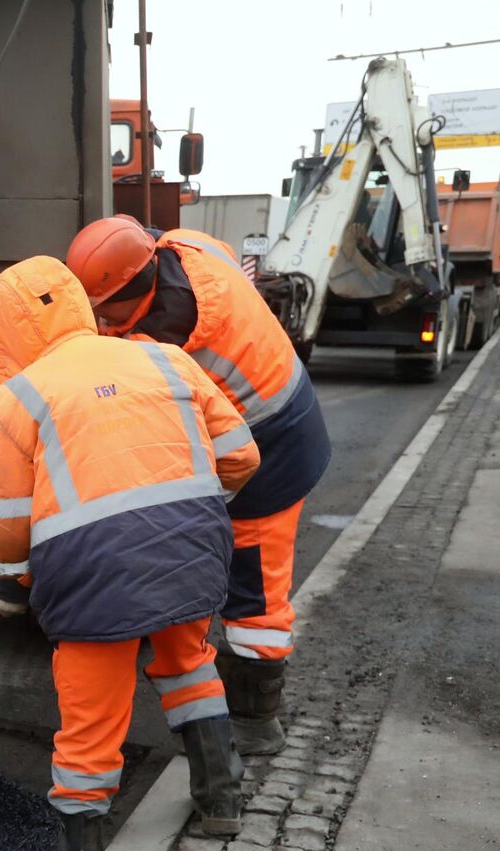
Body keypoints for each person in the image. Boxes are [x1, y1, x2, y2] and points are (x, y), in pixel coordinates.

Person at [0, 256, 261, 851]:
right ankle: (222, 802)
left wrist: (11, 587)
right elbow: (240, 454)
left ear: (4, 331)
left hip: (90, 574)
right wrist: (186, 510)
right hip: (192, 552)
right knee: (189, 666)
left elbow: (6, 522)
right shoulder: (163, 357)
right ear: (79, 302)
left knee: (91, 720)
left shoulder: (9, 404)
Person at [66, 216, 332, 755]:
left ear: (133, 290)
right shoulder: (186, 246)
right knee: (211, 553)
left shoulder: (168, 338)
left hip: (273, 440)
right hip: (272, 405)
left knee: (255, 586)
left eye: (103, 307)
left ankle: (257, 722)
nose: (97, 318)